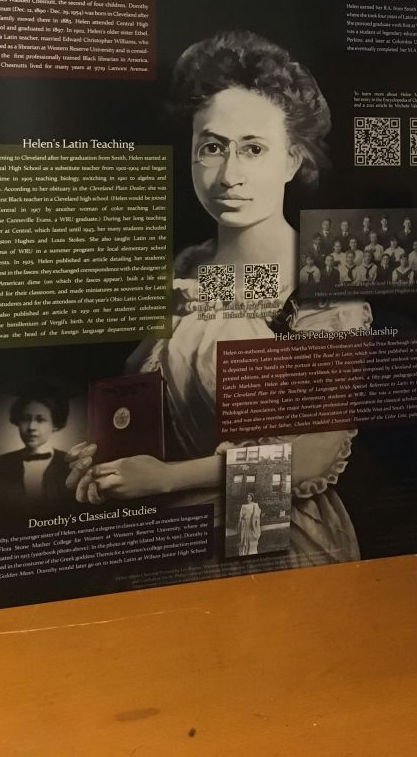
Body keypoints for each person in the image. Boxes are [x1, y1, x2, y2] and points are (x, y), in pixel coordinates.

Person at [69, 30, 370, 567]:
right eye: (212, 147)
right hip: (170, 540)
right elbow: (143, 405)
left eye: (254, 148)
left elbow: (311, 455)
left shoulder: (322, 283)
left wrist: (164, 479)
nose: (229, 176)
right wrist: (105, 457)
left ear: (292, 160)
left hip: (275, 538)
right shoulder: (187, 270)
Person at [0, 384, 76, 515]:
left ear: (55, 424)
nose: (31, 427)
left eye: (40, 420)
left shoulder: (72, 465)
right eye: (25, 419)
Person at [237, 492, 261, 556]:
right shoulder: (243, 506)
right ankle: (244, 552)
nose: (248, 498)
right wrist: (240, 523)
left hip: (251, 523)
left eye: (249, 497)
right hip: (244, 524)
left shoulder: (255, 505)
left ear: (252, 498)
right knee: (243, 539)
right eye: (247, 497)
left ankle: (251, 551)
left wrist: (253, 524)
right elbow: (240, 516)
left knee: (251, 538)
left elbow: (256, 516)